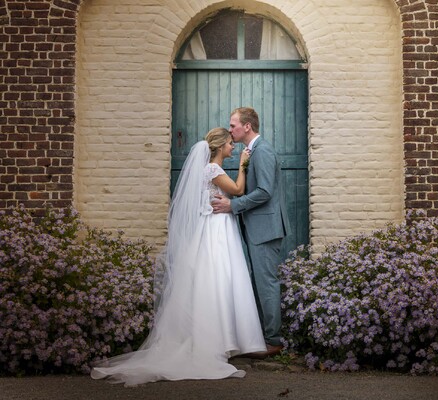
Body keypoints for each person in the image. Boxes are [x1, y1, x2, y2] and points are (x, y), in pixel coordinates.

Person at [90, 128, 266, 386]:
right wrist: (243, 164)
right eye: (230, 144)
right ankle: (219, 339)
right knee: (217, 278)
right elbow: (238, 190)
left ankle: (225, 338)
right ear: (220, 147)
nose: (233, 147)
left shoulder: (211, 169)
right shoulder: (213, 169)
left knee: (218, 279)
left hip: (217, 225)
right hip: (216, 230)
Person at [212, 107, 289, 358]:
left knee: (266, 284)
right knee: (259, 283)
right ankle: (261, 337)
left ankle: (273, 341)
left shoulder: (263, 151)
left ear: (247, 126)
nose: (230, 129)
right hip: (257, 227)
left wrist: (233, 205)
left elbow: (265, 191)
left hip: (265, 229)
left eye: (233, 125)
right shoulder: (252, 151)